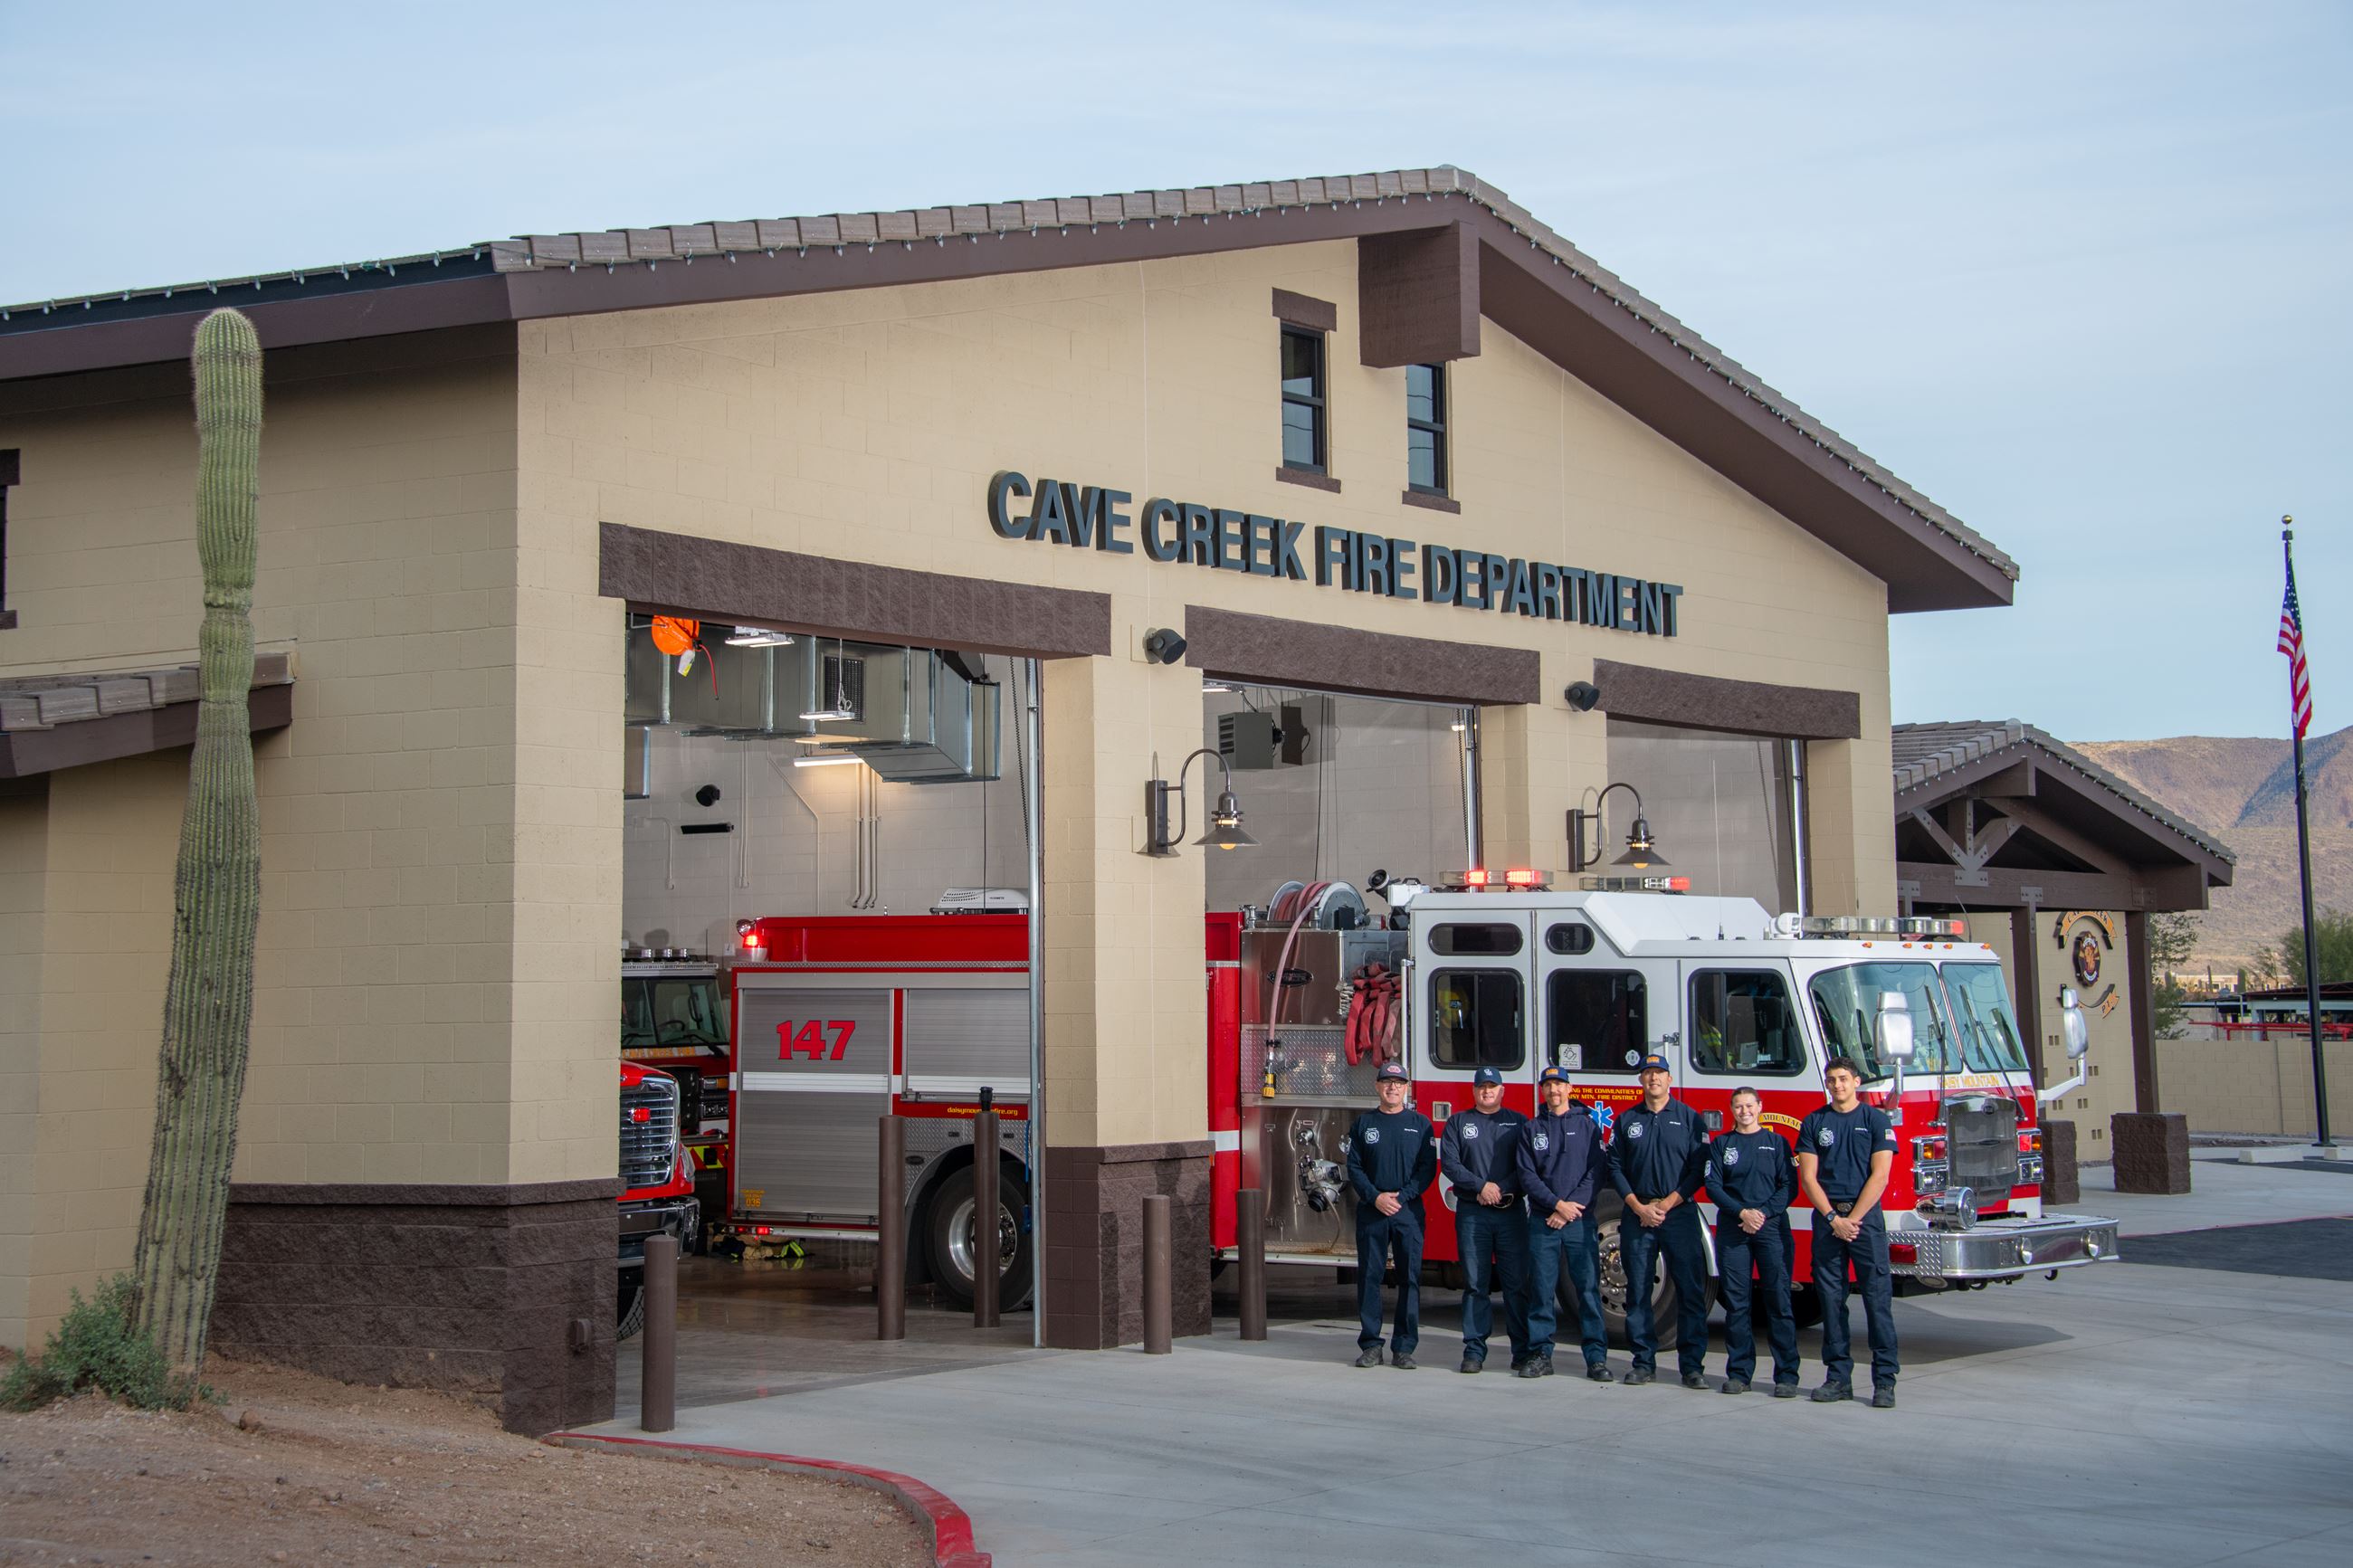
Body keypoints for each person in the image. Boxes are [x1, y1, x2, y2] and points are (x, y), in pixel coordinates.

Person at [1796, 1056, 1900, 1407]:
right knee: (1831, 1301)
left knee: (1876, 1300)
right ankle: (1838, 1377)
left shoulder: (1875, 1119)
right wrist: (1832, 1219)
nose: (1837, 1085)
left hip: (1864, 1220)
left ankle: (1884, 1381)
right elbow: (1808, 1177)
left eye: (1843, 1078)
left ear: (1856, 1082)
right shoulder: (1814, 1122)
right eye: (1832, 1080)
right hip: (1828, 1221)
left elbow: (1881, 1175)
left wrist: (1852, 1219)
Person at [1606, 1052, 1710, 1389]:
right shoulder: (1626, 1120)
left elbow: (1698, 1170)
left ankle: (1692, 1366)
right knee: (1638, 1292)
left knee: (1691, 1291)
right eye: (1647, 1074)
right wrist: (1637, 1205)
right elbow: (1616, 1168)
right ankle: (1642, 1362)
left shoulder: (1691, 1119)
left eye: (1659, 1073)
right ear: (1641, 1081)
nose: (1653, 1079)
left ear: (1669, 1080)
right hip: (1638, 1215)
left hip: (1678, 1214)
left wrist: (1668, 1203)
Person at [1513, 1065, 1613, 1382]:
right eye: (1548, 1086)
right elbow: (1527, 1175)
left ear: (1570, 1090)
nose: (1554, 1091)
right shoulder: (1531, 1129)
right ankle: (1541, 1353)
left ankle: (1596, 1358)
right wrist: (1556, 1205)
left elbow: (1597, 1172)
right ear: (1542, 1091)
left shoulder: (1588, 1127)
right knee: (1541, 1291)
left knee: (1587, 1291)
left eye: (1559, 1085)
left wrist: (1570, 1209)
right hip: (1544, 1221)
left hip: (1579, 1222)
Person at [1703, 1086, 1800, 1397]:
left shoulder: (1777, 1143)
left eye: (1749, 1105)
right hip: (1734, 1231)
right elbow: (1713, 1186)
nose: (1744, 1111)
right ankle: (1739, 1373)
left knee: (1779, 1302)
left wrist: (1763, 1213)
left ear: (1760, 1107)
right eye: (1738, 1106)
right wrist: (1741, 1212)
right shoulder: (1722, 1145)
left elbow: (1789, 1187)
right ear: (1732, 1110)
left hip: (1771, 1229)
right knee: (1737, 1304)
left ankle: (1786, 1375)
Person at [1438, 1065, 1531, 1374]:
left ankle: (1522, 1352)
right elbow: (1450, 1164)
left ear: (1502, 1090)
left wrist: (1500, 1188)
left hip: (1510, 1214)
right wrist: (1481, 1187)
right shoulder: (1458, 1123)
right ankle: (1474, 1350)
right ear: (1474, 1091)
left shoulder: (1518, 1123)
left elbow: (1527, 1167)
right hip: (1473, 1214)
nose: (1487, 1091)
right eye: (1482, 1087)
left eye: (1492, 1086)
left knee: (1516, 1285)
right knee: (1476, 1284)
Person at [1346, 1060, 1436, 1369]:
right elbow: (1354, 1168)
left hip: (1408, 1211)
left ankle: (1404, 1348)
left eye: (1398, 1083)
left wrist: (1403, 1196)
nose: (1393, 1087)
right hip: (1373, 1211)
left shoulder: (1421, 1124)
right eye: (1387, 1082)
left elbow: (1427, 1169)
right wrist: (1375, 1197)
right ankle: (1371, 1344)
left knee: (1409, 1279)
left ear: (1407, 1088)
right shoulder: (1363, 1124)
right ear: (1377, 1087)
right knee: (1369, 1278)